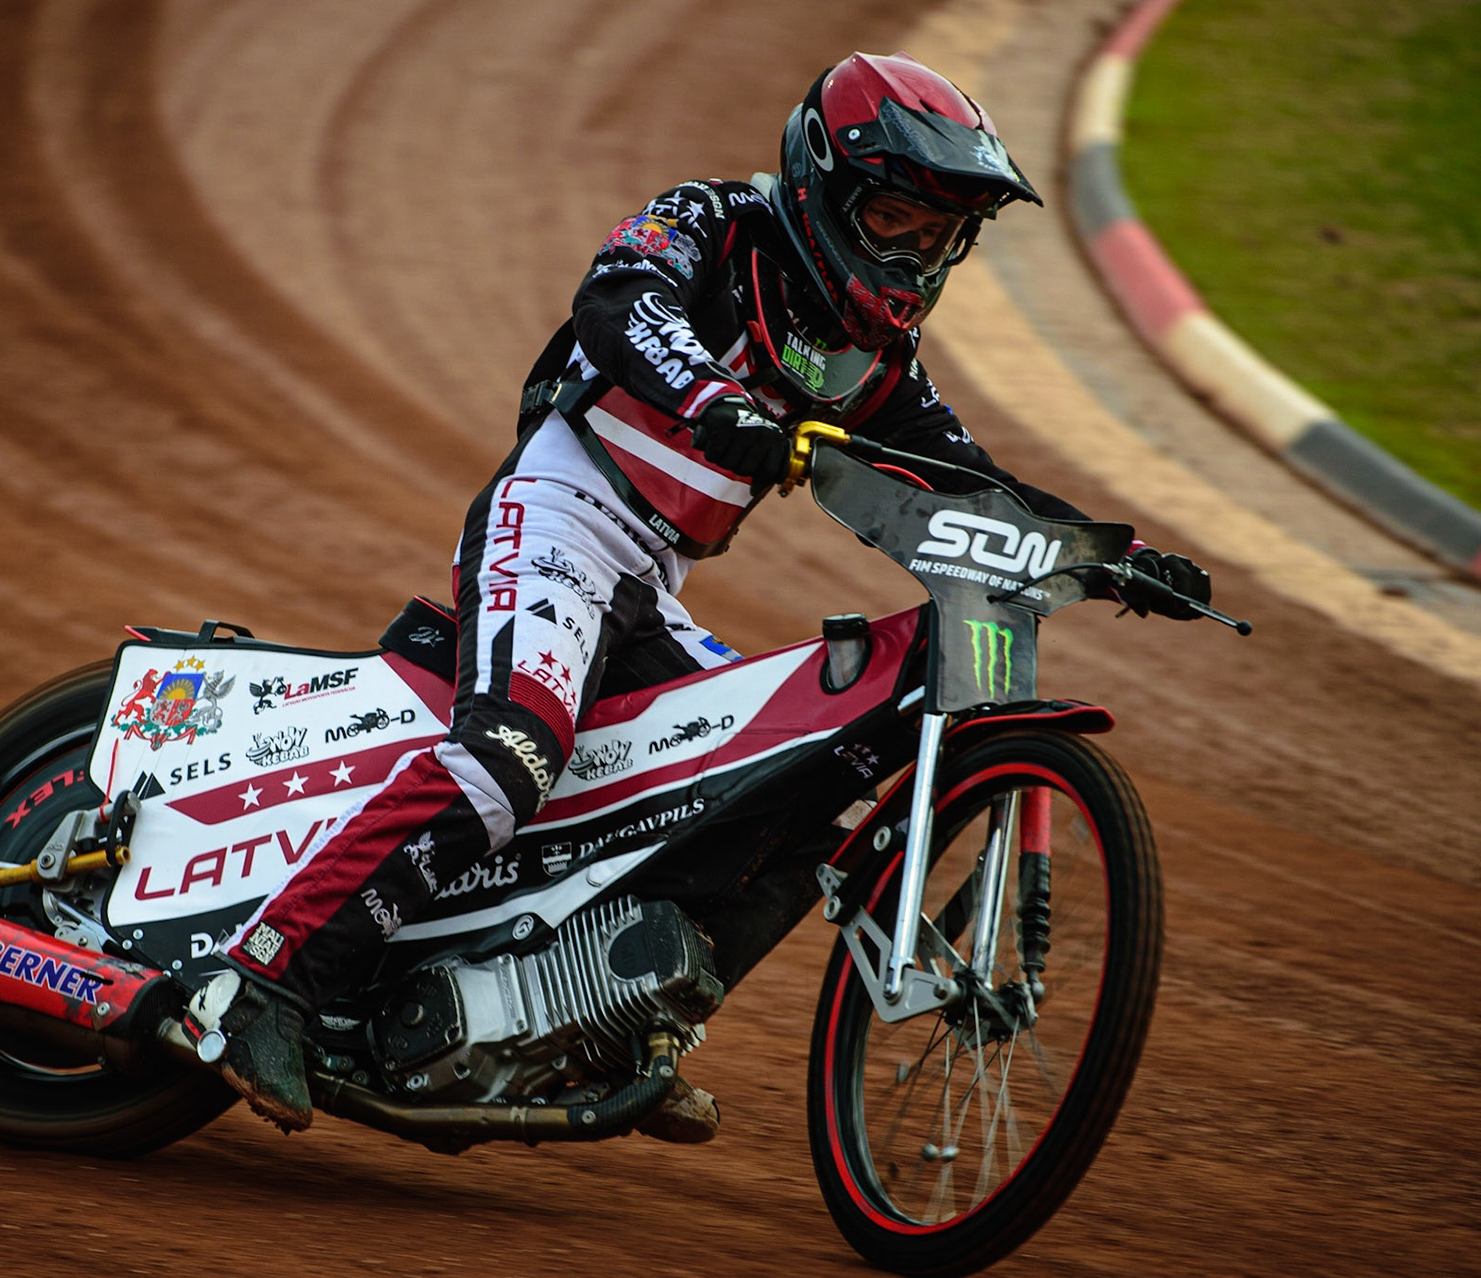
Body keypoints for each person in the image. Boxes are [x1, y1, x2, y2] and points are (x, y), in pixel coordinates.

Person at [188, 52, 1212, 1133]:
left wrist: (1116, 553)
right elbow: (616, 304)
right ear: (824, 184)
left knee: (773, 797)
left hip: (646, 584)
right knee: (511, 757)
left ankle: (603, 1012)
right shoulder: (716, 222)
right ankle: (260, 984)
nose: (915, 256)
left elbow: (974, 483)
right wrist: (719, 403)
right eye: (897, 219)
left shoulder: (879, 362)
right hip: (558, 519)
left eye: (939, 236)